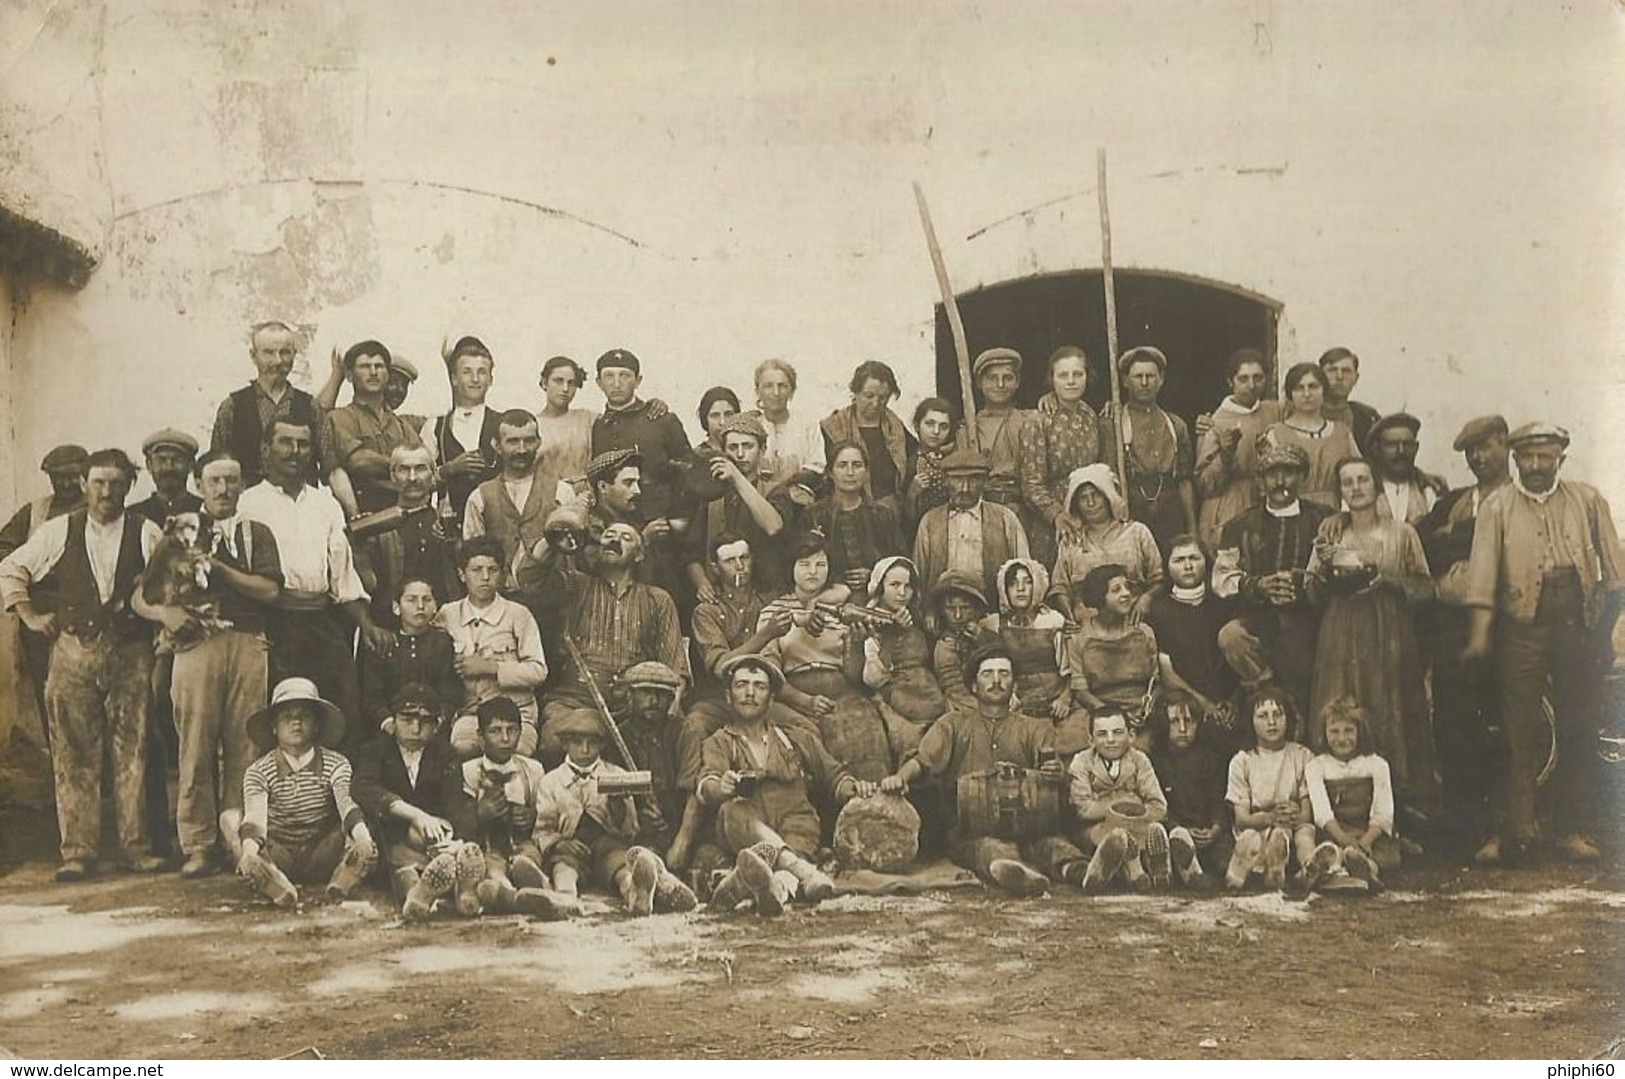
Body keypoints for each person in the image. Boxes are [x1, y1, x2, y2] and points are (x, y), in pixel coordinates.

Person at [0, 449, 166, 881]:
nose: (106, 492)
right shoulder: (60, 529)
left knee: (134, 752)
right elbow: (10, 569)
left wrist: (162, 625)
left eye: (115, 483)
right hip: (72, 652)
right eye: (98, 483)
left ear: (129, 487)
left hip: (131, 653)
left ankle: (136, 848)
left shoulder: (146, 531)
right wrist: (32, 616)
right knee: (74, 754)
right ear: (84, 485)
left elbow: (173, 583)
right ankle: (77, 851)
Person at [1463, 422, 1624, 866]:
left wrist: (1607, 629)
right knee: (1518, 729)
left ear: (1561, 460)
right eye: (1527, 457)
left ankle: (1572, 828)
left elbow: (1615, 572)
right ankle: (1517, 829)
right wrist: (1479, 635)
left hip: (1578, 625)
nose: (1536, 466)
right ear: (1514, 460)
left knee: (1578, 724)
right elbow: (1481, 578)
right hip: (1521, 628)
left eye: (1545, 457)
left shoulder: (1588, 500)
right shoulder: (1497, 507)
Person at [134, 448, 282, 879]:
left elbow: (269, 592)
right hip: (196, 646)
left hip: (248, 641)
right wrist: (165, 614)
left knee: (246, 747)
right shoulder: (178, 533)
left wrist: (216, 567)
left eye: (233, 480)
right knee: (194, 744)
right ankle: (198, 844)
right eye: (215, 480)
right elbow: (141, 596)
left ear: (243, 485)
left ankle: (239, 842)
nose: (224, 488)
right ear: (199, 485)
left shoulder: (257, 532)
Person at [876, 643, 1081, 897]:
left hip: (1027, 823)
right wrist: (900, 777)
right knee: (988, 849)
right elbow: (922, 760)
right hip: (971, 828)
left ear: (1014, 685)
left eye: (1004, 674)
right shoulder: (953, 724)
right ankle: (1016, 875)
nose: (997, 681)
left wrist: (1054, 771)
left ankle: (1080, 872)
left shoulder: (1035, 727)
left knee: (1053, 845)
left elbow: (1052, 770)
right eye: (988, 674)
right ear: (973, 685)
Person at [239, 418, 392, 743]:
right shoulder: (248, 503)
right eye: (286, 442)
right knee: (279, 719)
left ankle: (341, 789)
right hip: (272, 624)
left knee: (342, 712)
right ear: (267, 449)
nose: (295, 452)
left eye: (303, 444)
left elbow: (343, 575)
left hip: (321, 622)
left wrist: (366, 625)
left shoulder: (326, 504)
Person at [1307, 457, 1435, 810]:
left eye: (1363, 479)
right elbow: (1312, 594)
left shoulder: (1401, 533)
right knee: (1341, 701)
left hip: (1387, 628)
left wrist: (1387, 580)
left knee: (1387, 703)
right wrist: (1320, 566)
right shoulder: (1331, 532)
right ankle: (1341, 808)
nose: (1356, 488)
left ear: (1376, 486)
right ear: (1341, 491)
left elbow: (1426, 588)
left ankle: (1395, 810)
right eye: (1347, 482)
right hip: (1341, 628)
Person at [1416, 415, 1511, 858]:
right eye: (1470, 452)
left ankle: (1501, 826)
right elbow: (1424, 545)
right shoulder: (1454, 501)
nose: (1478, 458)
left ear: (1504, 445)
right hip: (1454, 626)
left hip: (1508, 624)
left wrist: (1460, 538)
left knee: (1500, 723)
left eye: (1485, 447)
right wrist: (1455, 539)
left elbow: (1510, 544)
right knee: (1453, 722)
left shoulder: (1519, 498)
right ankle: (1461, 824)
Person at [698, 655, 857, 914]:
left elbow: (835, 776)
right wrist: (722, 786)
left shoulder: (796, 738)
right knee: (733, 810)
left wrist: (856, 790)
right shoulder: (719, 742)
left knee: (788, 858)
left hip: (797, 826)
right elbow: (707, 784)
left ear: (771, 699)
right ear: (728, 696)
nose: (750, 693)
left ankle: (773, 891)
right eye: (741, 685)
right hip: (746, 831)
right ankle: (802, 872)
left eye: (759, 687)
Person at [526, 521, 685, 762]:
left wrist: (669, 719)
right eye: (609, 535)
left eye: (626, 537)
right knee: (553, 742)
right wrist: (557, 532)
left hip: (636, 709)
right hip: (576, 701)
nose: (614, 540)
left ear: (640, 555)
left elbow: (676, 670)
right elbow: (530, 577)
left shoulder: (658, 599)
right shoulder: (576, 586)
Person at [221, 678, 378, 907]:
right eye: (287, 717)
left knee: (364, 818)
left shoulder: (336, 763)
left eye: (304, 716)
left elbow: (347, 806)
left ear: (316, 724)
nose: (296, 723)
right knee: (230, 819)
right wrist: (249, 852)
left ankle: (344, 879)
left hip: (322, 851)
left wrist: (363, 839)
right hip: (279, 851)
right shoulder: (258, 770)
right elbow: (255, 820)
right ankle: (271, 880)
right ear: (274, 727)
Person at [533, 709, 697, 916]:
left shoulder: (616, 775)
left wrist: (619, 808)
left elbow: (630, 830)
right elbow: (543, 828)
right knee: (563, 869)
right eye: (577, 742)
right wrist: (560, 842)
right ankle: (565, 899)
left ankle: (635, 894)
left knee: (621, 867)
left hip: (607, 845)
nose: (585, 749)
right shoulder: (551, 781)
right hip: (571, 846)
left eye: (592, 743)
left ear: (602, 745)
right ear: (565, 744)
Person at [759, 532, 894, 782]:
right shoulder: (774, 611)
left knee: (866, 732)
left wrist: (857, 644)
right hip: (794, 696)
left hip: (844, 693)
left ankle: (870, 810)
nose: (813, 571)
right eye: (804, 564)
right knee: (817, 747)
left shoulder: (841, 613)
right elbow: (769, 675)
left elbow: (853, 676)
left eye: (821, 564)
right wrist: (804, 700)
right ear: (790, 568)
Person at [1211, 440, 1332, 712]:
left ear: (1302, 476)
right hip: (1259, 618)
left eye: (1288, 472)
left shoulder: (1324, 520)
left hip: (1311, 619)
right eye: (1271, 474)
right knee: (1231, 637)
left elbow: (1338, 567)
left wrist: (1306, 583)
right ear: (1260, 480)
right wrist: (1256, 586)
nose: (1280, 481)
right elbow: (1222, 579)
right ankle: (1268, 694)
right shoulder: (1239, 526)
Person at [1064, 564, 1218, 756]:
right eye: (1116, 590)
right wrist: (1114, 716)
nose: (1126, 594)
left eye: (1127, 587)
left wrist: (1148, 705)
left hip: (1141, 713)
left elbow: (1156, 682)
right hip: (1098, 710)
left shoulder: (1144, 633)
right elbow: (1081, 691)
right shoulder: (1080, 639)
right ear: (1099, 598)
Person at [0, 443, 88, 748]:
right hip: (41, 611)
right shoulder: (34, 511)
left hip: (86, 612)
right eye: (56, 477)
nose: (64, 484)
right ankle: (57, 761)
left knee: (87, 692)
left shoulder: (100, 507)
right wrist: (33, 567)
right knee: (46, 688)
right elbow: (5, 548)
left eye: (72, 476)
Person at [444, 696, 562, 918]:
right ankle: (507, 893)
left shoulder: (533, 770)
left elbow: (547, 813)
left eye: (512, 730)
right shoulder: (467, 771)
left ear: (520, 732)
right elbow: (456, 818)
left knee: (527, 859)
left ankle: (535, 883)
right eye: (495, 731)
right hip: (488, 844)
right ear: (480, 737)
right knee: (492, 866)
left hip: (522, 842)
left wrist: (532, 816)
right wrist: (479, 813)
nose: (505, 738)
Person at [351, 683, 461, 914]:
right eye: (407, 719)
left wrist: (453, 837)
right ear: (393, 720)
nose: (415, 728)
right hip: (391, 838)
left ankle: (460, 892)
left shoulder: (445, 755)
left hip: (432, 841)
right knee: (399, 860)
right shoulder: (375, 751)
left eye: (425, 721)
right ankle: (417, 895)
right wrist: (416, 815)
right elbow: (363, 787)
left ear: (437, 725)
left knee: (454, 854)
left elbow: (456, 803)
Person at [438, 537, 549, 759]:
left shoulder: (518, 614)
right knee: (461, 751)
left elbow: (538, 671)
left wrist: (492, 667)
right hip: (471, 715)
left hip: (516, 715)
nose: (485, 577)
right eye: (476, 570)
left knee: (515, 755)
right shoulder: (448, 614)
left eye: (492, 570)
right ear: (462, 574)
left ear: (503, 574)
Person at [980, 558, 1087, 751]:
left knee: (1069, 740)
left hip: (1056, 698)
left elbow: (1070, 667)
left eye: (1027, 582)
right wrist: (1009, 695)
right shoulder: (994, 625)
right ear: (1004, 589)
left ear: (1037, 586)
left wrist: (1065, 698)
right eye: (1013, 583)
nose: (1020, 589)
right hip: (1020, 699)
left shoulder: (1052, 621)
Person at [684, 414, 790, 600]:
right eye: (733, 447)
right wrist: (701, 582)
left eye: (748, 446)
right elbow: (691, 552)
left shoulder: (776, 490)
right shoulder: (712, 495)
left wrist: (736, 477)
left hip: (767, 595)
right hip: (722, 597)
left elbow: (773, 526)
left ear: (762, 449)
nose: (740, 454)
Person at [1065, 709, 1172, 893]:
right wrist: (1124, 802)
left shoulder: (1139, 760)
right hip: (1096, 829)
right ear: (1091, 740)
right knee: (1113, 839)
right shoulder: (1081, 762)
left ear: (1131, 736)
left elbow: (1159, 806)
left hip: (1138, 826)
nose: (1110, 740)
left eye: (1117, 732)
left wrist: (1127, 817)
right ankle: (1134, 871)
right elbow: (1082, 809)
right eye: (1102, 734)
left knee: (1149, 831)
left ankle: (1149, 869)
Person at [355, 445, 462, 629]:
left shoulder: (449, 523)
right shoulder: (377, 527)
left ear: (432, 473)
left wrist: (453, 543)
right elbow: (369, 586)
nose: (412, 478)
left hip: (443, 631)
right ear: (392, 476)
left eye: (420, 468)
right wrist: (359, 549)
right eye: (404, 469)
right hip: (392, 631)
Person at [1144, 536, 1239, 740]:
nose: (1188, 566)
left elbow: (1238, 664)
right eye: (1178, 560)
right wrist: (1204, 704)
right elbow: (1167, 673)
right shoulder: (1159, 611)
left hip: (1227, 703)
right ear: (1167, 566)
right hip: (1184, 703)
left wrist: (1233, 700)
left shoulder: (1224, 606)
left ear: (1206, 561)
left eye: (1194, 558)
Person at [1100, 346, 1196, 551]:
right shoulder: (1113, 424)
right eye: (1138, 376)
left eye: (1151, 376)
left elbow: (1184, 481)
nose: (1144, 383)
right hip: (1132, 510)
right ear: (1125, 381)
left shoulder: (1175, 425)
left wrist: (1192, 527)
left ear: (1161, 380)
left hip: (1171, 513)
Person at [210, 320, 325, 489]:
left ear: (294, 354)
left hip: (300, 507)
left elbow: (331, 466)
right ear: (253, 355)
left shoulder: (311, 407)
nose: (278, 361)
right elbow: (217, 465)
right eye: (269, 353)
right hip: (249, 507)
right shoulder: (232, 407)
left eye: (285, 352)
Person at [1019, 346, 1105, 568]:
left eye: (1078, 374)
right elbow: (1031, 484)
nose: (1071, 381)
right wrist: (1057, 515)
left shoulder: (1089, 415)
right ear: (1052, 379)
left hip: (1088, 514)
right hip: (1051, 522)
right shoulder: (1038, 420)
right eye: (1063, 375)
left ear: (1088, 376)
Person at [1224, 686, 1316, 893]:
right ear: (1251, 721)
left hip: (1293, 825)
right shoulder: (1242, 761)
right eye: (1262, 716)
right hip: (1258, 824)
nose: (1271, 722)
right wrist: (1270, 818)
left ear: (1288, 718)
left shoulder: (1303, 756)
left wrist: (1289, 818)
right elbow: (1241, 818)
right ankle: (1240, 872)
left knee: (1306, 834)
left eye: (1278, 715)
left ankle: (1309, 868)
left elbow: (1306, 814)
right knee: (1252, 838)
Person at [1302, 697, 1397, 895]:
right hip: (1335, 831)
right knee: (1327, 849)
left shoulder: (1376, 764)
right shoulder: (1316, 766)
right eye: (1334, 731)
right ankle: (1334, 871)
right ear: (1324, 733)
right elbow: (1322, 814)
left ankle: (1366, 871)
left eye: (1349, 731)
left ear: (1359, 732)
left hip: (1369, 834)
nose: (1342, 738)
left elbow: (1383, 811)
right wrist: (1344, 839)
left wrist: (1366, 841)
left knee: (1383, 855)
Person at [912, 446, 1029, 604]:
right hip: (943, 612)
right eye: (957, 480)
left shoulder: (1005, 518)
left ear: (984, 482)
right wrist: (928, 611)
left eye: (973, 480)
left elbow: (1023, 569)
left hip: (992, 611)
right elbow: (918, 578)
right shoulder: (930, 522)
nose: (965, 488)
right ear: (946, 481)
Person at [320, 339, 424, 518]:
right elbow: (358, 462)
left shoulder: (402, 426)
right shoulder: (340, 418)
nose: (373, 372)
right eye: (365, 366)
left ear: (387, 374)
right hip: (363, 516)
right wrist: (404, 464)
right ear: (350, 375)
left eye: (379, 366)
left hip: (404, 515)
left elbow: (424, 466)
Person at [591, 349, 694, 526]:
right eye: (609, 376)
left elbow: (687, 470)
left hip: (659, 522)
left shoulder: (662, 420)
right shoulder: (598, 426)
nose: (616, 384)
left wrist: (677, 519)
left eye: (624, 375)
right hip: (613, 524)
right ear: (599, 382)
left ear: (638, 381)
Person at [1048, 464, 1162, 623]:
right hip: (1087, 627)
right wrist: (1071, 615)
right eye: (1083, 498)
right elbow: (1060, 588)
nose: (1090, 503)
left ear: (1108, 496)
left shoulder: (1137, 533)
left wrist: (1146, 598)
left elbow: (1158, 579)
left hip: (1133, 621)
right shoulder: (1072, 541)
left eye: (1096, 495)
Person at [1194, 348, 1283, 549]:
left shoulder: (1275, 411)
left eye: (1258, 378)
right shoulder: (1214, 422)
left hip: (1267, 500)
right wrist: (1225, 454)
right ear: (1230, 381)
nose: (1251, 385)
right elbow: (1205, 485)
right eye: (1243, 379)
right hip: (1229, 505)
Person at [462, 409, 562, 585]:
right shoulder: (479, 497)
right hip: (500, 600)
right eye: (513, 442)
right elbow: (473, 556)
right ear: (497, 445)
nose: (522, 449)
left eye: (529, 441)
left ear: (539, 442)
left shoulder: (561, 492)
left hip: (549, 599)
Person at [860, 556, 947, 755]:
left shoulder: (915, 617)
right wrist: (891, 637)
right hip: (893, 697)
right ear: (880, 587)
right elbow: (873, 679)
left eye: (908, 586)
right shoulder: (868, 621)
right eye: (894, 585)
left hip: (928, 692)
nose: (902, 593)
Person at [360, 577, 462, 735]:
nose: (420, 606)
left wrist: (436, 723)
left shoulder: (442, 643)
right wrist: (389, 724)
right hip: (390, 729)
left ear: (435, 606)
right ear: (396, 607)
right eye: (411, 600)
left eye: (427, 600)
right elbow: (372, 696)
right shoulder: (384, 642)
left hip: (432, 727)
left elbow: (449, 692)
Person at [1258, 362, 1359, 510]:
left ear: (1324, 390)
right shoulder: (1276, 434)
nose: (1307, 394)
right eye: (1299, 388)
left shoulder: (1341, 432)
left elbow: (1357, 472)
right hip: (1292, 511)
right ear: (1290, 394)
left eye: (1313, 386)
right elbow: (1268, 484)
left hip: (1335, 513)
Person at [421, 336, 502, 520]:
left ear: (490, 379)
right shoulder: (435, 427)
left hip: (496, 522)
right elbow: (418, 481)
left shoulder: (503, 423)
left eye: (481, 372)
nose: (475, 379)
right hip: (451, 526)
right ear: (454, 379)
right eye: (467, 372)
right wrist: (448, 469)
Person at [819, 360, 915, 515]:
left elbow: (913, 459)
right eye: (869, 396)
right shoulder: (834, 427)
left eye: (883, 398)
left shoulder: (895, 426)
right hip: (846, 510)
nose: (875, 403)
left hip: (890, 512)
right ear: (855, 393)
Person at [1149, 705, 1228, 891]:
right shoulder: (1156, 762)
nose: (1183, 729)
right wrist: (1178, 827)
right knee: (1172, 841)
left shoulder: (1210, 759)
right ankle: (1189, 872)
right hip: (1175, 829)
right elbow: (1156, 804)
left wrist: (1215, 828)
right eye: (1175, 722)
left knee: (1224, 859)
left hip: (1207, 832)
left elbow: (1219, 799)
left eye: (1189, 722)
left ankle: (1214, 874)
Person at [812, 441, 907, 592]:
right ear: (830, 472)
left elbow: (901, 564)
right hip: (825, 599)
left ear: (866, 471)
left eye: (857, 465)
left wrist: (875, 576)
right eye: (842, 465)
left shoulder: (883, 514)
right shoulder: (814, 515)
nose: (850, 472)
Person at [751, 359, 825, 490]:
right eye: (768, 386)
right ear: (758, 391)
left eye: (782, 386)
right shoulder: (751, 426)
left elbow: (817, 467)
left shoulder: (807, 426)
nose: (776, 393)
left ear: (792, 391)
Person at [925, 570, 989, 712]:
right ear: (942, 611)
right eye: (950, 608)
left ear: (977, 609)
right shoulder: (945, 646)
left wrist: (982, 640)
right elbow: (957, 692)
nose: (958, 616)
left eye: (966, 608)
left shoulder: (985, 633)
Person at [535, 356, 596, 500]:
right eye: (558, 381)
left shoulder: (587, 418)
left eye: (571, 383)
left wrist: (651, 405)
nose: (565, 389)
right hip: (549, 497)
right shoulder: (534, 425)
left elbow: (620, 419)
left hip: (587, 498)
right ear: (544, 383)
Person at [1367, 412, 1444, 526]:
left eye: (1407, 444)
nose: (1401, 451)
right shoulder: (1363, 488)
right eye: (1392, 444)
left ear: (1416, 448)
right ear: (1377, 449)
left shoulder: (1430, 489)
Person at [129, 429, 203, 525]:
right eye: (161, 460)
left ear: (191, 465)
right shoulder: (133, 516)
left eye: (177, 460)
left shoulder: (204, 511)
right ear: (149, 465)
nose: (169, 468)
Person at [905, 397, 957, 526]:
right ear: (917, 425)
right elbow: (906, 520)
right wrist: (912, 493)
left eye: (943, 426)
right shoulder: (909, 462)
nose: (936, 431)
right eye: (930, 424)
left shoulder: (953, 461)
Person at [1316, 347, 1382, 449]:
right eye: (1332, 370)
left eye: (1346, 371)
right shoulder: (1304, 412)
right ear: (1320, 376)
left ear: (1356, 378)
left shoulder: (1367, 417)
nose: (1339, 377)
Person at [695, 386, 742, 455]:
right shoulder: (696, 456)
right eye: (715, 416)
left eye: (728, 415)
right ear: (705, 419)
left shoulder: (743, 454)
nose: (722, 422)